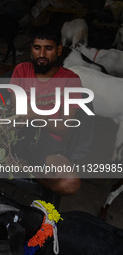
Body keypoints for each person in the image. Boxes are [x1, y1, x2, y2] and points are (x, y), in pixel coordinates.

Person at [9, 24, 82, 195]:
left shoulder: (70, 80)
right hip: (17, 133)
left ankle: (26, 167)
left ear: (58, 50)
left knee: (70, 184)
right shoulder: (22, 70)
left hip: (48, 140)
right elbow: (16, 108)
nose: (41, 55)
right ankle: (17, 160)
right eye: (37, 48)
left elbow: (64, 128)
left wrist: (35, 115)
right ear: (32, 50)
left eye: (48, 48)